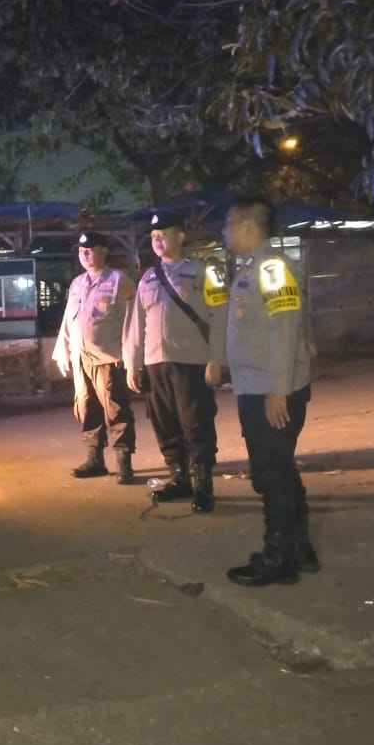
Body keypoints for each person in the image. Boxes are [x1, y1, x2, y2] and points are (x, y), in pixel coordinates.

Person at [218, 196, 316, 586]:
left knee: (270, 474)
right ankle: (299, 548)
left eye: (228, 224)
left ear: (247, 226)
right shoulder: (253, 267)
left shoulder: (272, 267)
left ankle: (277, 559)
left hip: (269, 391)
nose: (224, 232)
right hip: (257, 387)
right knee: (280, 469)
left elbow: (285, 328)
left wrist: (278, 391)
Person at [124, 210, 226, 512]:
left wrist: (216, 358)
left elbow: (220, 316)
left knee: (196, 423)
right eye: (153, 236)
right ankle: (180, 478)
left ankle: (203, 486)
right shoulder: (147, 277)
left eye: (163, 234)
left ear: (180, 235)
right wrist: (132, 363)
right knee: (164, 424)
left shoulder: (203, 270)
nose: (157, 240)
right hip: (155, 363)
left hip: (192, 361)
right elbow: (136, 324)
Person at [52, 231, 137, 483]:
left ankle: (124, 462)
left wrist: (132, 358)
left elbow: (132, 323)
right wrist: (63, 351)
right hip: (81, 359)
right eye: (81, 251)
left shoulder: (120, 281)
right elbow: (68, 321)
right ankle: (95, 459)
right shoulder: (77, 284)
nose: (85, 255)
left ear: (104, 251)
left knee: (116, 410)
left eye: (90, 250)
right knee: (86, 408)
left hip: (109, 359)